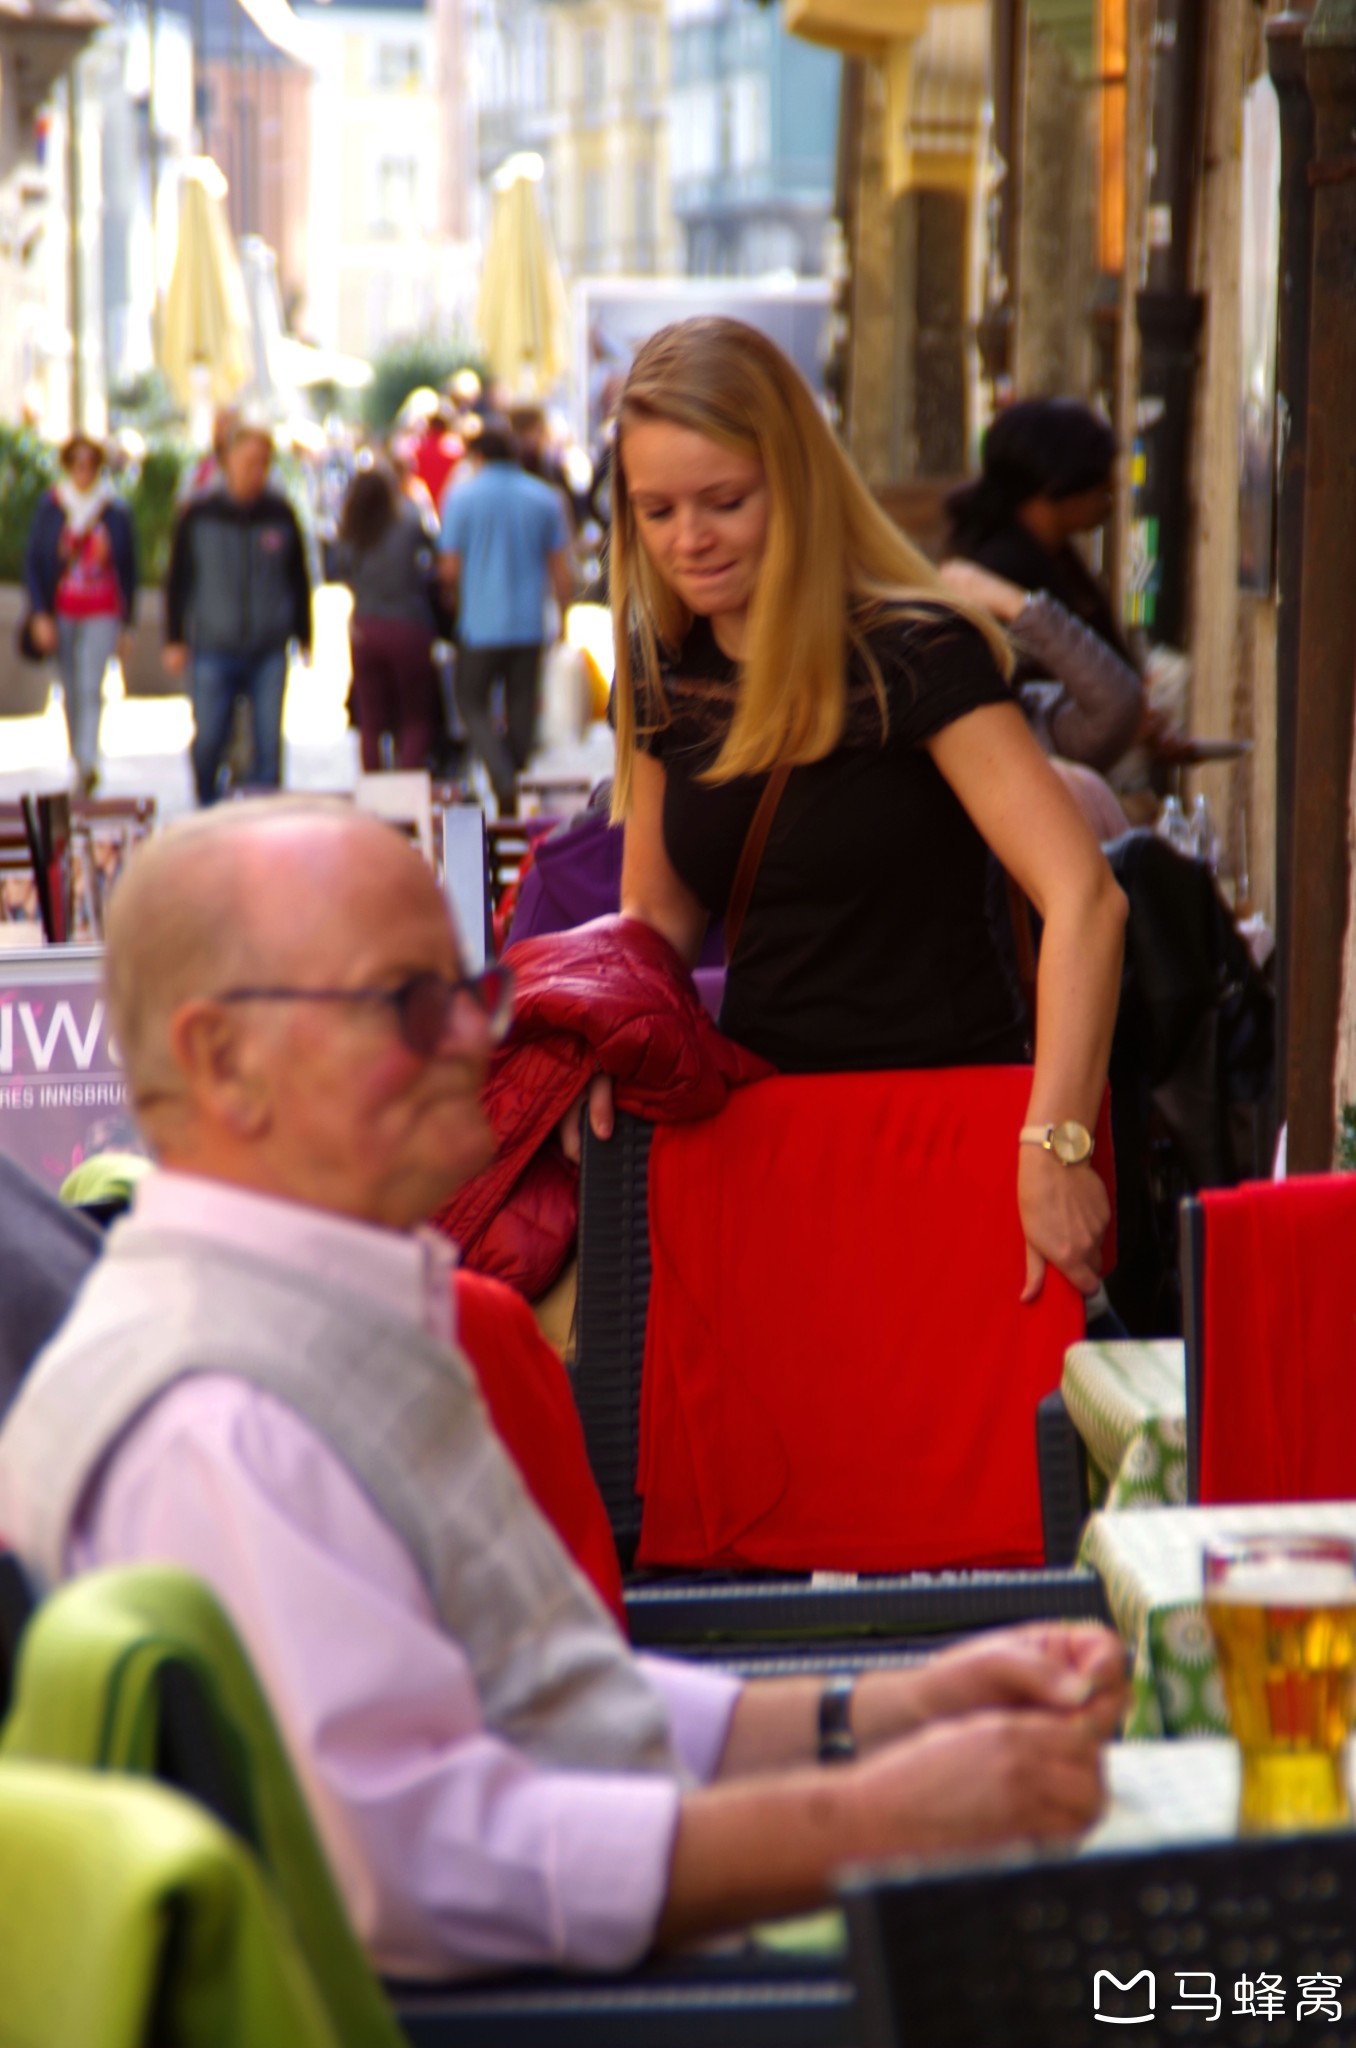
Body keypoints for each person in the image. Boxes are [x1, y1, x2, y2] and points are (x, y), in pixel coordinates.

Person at [0, 798, 1124, 1980]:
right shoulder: (218, 1418)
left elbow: (516, 1690)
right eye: (405, 1002)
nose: (474, 1041)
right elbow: (419, 1870)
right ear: (222, 1061)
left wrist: (884, 1712)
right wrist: (883, 1812)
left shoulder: (308, 1316)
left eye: (471, 989)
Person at [602, 319, 1127, 1305]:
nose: (688, 538)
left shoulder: (915, 652)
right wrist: (603, 1034)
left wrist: (1055, 1140)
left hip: (957, 1134)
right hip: (761, 1147)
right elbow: (656, 920)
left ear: (796, 482)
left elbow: (1085, 897)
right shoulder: (661, 666)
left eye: (723, 500)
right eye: (655, 510)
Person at [165, 420, 313, 806]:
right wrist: (174, 638)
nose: (256, 471)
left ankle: (263, 822)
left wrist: (304, 633)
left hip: (267, 645)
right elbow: (177, 578)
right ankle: (208, 805)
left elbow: (298, 577)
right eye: (249, 461)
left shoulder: (280, 513)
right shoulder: (199, 514)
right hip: (214, 643)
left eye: (263, 463)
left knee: (268, 741)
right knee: (210, 735)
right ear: (228, 461)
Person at [439, 417, 575, 814]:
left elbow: (449, 568)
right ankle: (512, 780)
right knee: (521, 710)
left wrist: (453, 596)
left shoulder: (461, 497)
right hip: (528, 623)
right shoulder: (543, 497)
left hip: (479, 624)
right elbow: (561, 571)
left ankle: (501, 777)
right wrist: (563, 618)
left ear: (478, 456)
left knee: (471, 701)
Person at [944, 397, 1135, 671]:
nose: (1108, 500)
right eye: (1100, 487)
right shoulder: (1002, 571)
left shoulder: (1052, 553)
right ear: (1057, 483)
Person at [23, 432, 138, 793]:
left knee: (91, 683)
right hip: (63, 608)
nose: (84, 471)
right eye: (77, 464)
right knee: (70, 686)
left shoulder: (115, 510)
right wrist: (39, 612)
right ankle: (78, 756)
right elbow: (34, 560)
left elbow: (130, 568)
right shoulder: (52, 506)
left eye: (90, 464)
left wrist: (128, 623)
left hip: (102, 608)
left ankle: (89, 759)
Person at [331, 461, 443, 772]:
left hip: (365, 628)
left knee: (371, 720)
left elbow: (341, 572)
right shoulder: (407, 523)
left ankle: (375, 790)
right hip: (408, 625)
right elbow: (432, 561)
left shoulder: (350, 533)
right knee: (416, 717)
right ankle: (406, 787)